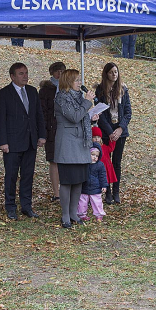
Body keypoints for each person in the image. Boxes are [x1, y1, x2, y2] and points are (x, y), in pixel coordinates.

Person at [0, 62, 46, 220]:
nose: (25, 76)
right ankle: (10, 206)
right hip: (12, 143)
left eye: (26, 73)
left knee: (28, 175)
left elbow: (38, 115)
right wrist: (3, 141)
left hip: (30, 141)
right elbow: (0, 120)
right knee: (11, 175)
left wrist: (41, 135)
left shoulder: (32, 91)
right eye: (21, 74)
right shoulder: (3, 94)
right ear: (12, 76)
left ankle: (26, 206)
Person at [54, 69, 94, 228]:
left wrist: (91, 115)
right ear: (68, 82)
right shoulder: (61, 98)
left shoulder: (78, 98)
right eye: (77, 80)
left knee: (78, 181)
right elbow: (74, 116)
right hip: (68, 145)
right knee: (67, 181)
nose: (80, 83)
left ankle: (73, 213)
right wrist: (87, 103)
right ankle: (65, 215)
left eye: (80, 80)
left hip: (80, 144)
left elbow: (81, 115)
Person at [95, 62, 132, 204]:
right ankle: (107, 192)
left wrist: (120, 128)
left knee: (117, 162)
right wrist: (110, 131)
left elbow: (128, 112)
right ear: (106, 74)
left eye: (116, 72)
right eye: (111, 72)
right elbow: (101, 112)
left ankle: (116, 191)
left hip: (120, 132)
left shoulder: (123, 89)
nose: (114, 74)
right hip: (106, 132)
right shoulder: (100, 90)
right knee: (106, 162)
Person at [39, 61, 66, 203]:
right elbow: (42, 112)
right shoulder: (46, 89)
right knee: (54, 161)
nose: (59, 74)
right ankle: (57, 193)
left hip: (66, 130)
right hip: (51, 130)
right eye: (57, 71)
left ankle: (66, 191)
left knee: (66, 161)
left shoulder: (68, 88)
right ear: (52, 73)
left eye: (62, 71)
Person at [78, 144, 108, 222]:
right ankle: (81, 214)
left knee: (97, 202)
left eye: (96, 156)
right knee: (82, 202)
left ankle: (99, 215)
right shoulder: (84, 164)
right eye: (92, 155)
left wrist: (104, 185)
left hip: (96, 188)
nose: (94, 157)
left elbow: (103, 176)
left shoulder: (100, 165)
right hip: (84, 187)